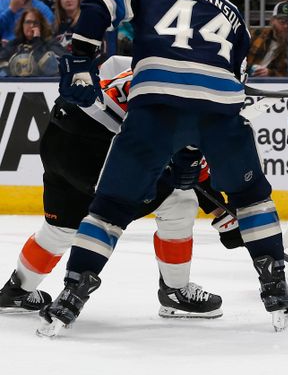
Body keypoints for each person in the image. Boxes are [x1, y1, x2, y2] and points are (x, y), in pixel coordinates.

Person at [37, 0, 288, 336]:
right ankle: (277, 290)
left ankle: (72, 295)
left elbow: (97, 4)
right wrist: (192, 152)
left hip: (155, 105)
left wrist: (81, 61)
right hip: (219, 111)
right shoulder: (238, 24)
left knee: (109, 208)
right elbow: (221, 89)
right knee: (252, 201)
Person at [0, 56, 225, 318]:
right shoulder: (194, 91)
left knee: (60, 226)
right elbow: (188, 159)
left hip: (59, 132)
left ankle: (17, 290)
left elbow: (108, 67)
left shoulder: (150, 54)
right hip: (94, 150)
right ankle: (175, 292)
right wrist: (221, 213)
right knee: (179, 200)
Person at [247, 1, 288, 77]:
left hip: (279, 85)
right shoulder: (257, 34)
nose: (286, 26)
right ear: (272, 21)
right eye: (282, 22)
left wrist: (271, 74)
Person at [0, 7, 61, 76]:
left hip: (44, 83)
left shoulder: (51, 43)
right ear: (22, 25)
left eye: (35, 23)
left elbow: (62, 63)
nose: (31, 26)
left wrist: (37, 41)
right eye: (28, 22)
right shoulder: (14, 44)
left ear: (41, 26)